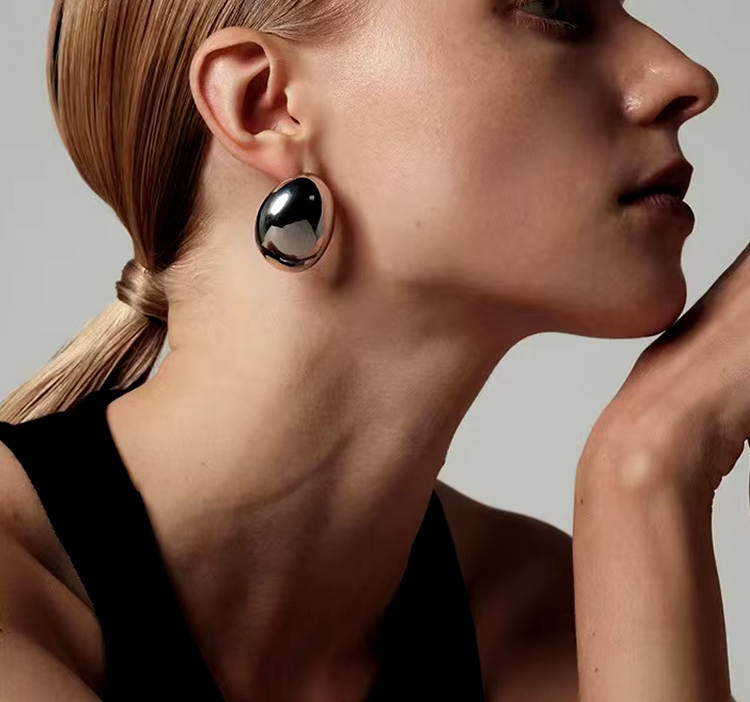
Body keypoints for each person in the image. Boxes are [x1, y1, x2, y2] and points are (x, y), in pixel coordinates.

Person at [0, 0, 739, 700]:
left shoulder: (548, 621)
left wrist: (649, 464)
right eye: (549, 5)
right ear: (266, 105)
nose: (684, 78)